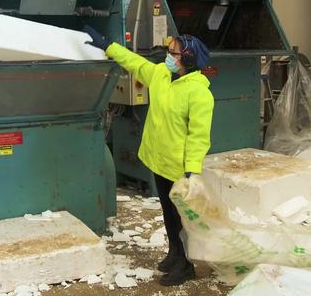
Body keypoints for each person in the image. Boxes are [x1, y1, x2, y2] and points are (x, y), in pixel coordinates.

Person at [84, 26, 214, 286]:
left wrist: (192, 169)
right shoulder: (161, 75)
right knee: (168, 213)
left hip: (178, 168)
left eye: (173, 53)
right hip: (159, 161)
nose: (168, 56)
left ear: (187, 60)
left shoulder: (199, 93)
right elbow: (134, 62)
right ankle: (175, 253)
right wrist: (108, 45)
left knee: (181, 220)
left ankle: (186, 265)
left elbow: (199, 136)